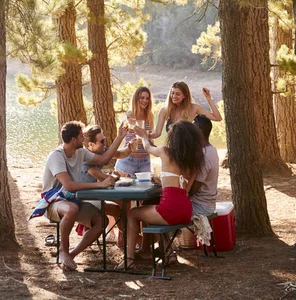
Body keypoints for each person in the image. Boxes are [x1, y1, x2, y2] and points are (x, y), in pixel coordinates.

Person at [116, 120, 205, 270]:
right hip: (186, 210)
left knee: (132, 213)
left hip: (170, 210)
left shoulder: (165, 152)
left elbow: (148, 147)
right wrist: (162, 182)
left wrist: (144, 135)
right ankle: (168, 253)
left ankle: (129, 259)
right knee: (150, 211)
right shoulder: (194, 162)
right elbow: (183, 189)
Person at [41, 120, 127, 271]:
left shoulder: (80, 152)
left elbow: (104, 159)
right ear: (74, 139)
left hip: (72, 199)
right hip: (53, 200)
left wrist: (120, 136)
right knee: (72, 209)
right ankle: (63, 250)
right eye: (81, 136)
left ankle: (72, 255)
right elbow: (69, 185)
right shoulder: (56, 156)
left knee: (101, 220)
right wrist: (100, 184)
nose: (83, 139)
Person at [81, 125, 138, 247]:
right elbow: (105, 179)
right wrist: (115, 175)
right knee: (122, 204)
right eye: (102, 141)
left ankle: (124, 239)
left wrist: (129, 147)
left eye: (105, 139)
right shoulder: (86, 159)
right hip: (84, 199)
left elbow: (120, 154)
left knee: (123, 204)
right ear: (90, 145)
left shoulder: (99, 150)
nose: (105, 143)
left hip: (94, 193)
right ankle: (131, 240)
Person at [149, 81, 222, 139]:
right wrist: (146, 135)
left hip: (188, 150)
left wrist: (208, 98)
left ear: (185, 95)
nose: (174, 96)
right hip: (172, 150)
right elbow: (157, 133)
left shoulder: (194, 108)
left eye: (177, 94)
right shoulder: (165, 110)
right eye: (172, 93)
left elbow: (217, 118)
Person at [115, 86, 155, 176]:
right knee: (124, 189)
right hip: (128, 160)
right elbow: (120, 135)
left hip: (145, 161)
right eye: (142, 98)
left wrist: (147, 139)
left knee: (146, 189)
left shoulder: (150, 116)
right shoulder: (128, 115)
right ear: (136, 99)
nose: (145, 101)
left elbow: (150, 137)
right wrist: (130, 127)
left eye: (147, 98)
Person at [189, 114, 219, 216]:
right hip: (206, 204)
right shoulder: (211, 149)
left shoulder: (204, 156)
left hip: (201, 206)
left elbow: (192, 190)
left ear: (199, 132)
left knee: (162, 208)